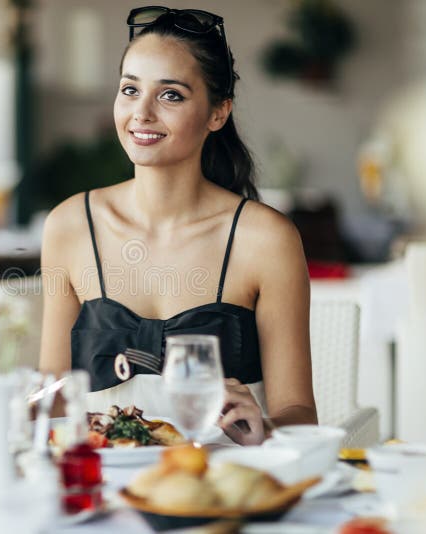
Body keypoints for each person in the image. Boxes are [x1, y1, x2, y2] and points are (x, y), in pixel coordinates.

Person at [37, 6, 317, 446]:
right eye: (130, 89)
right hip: (103, 481)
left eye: (170, 95)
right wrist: (18, 402)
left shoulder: (265, 240)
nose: (141, 113)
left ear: (218, 113)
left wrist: (268, 425)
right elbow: (55, 396)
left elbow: (299, 414)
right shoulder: (70, 225)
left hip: (223, 482)